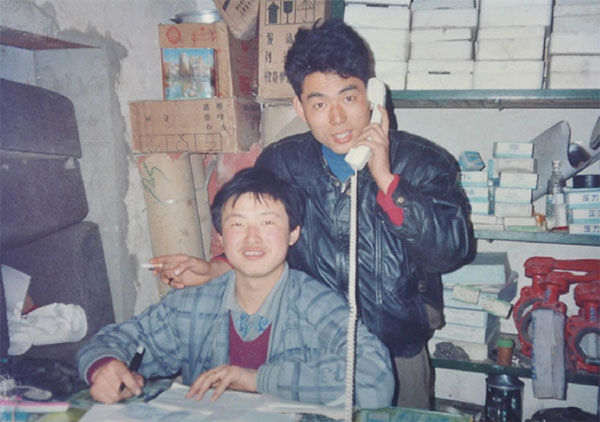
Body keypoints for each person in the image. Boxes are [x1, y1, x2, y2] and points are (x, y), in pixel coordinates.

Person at [152, 19, 471, 409]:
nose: (337, 118)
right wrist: (214, 269)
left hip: (396, 350)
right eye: (319, 104)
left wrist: (387, 181)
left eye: (348, 98)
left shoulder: (425, 163)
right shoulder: (281, 163)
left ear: (373, 97)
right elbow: (264, 240)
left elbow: (451, 252)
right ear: (299, 108)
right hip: (306, 352)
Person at [77, 167, 394, 408]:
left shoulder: (318, 306)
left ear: (293, 233)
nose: (252, 238)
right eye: (238, 224)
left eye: (267, 222)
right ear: (221, 236)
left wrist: (257, 380)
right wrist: (106, 368)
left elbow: (375, 379)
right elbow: (115, 341)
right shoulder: (191, 304)